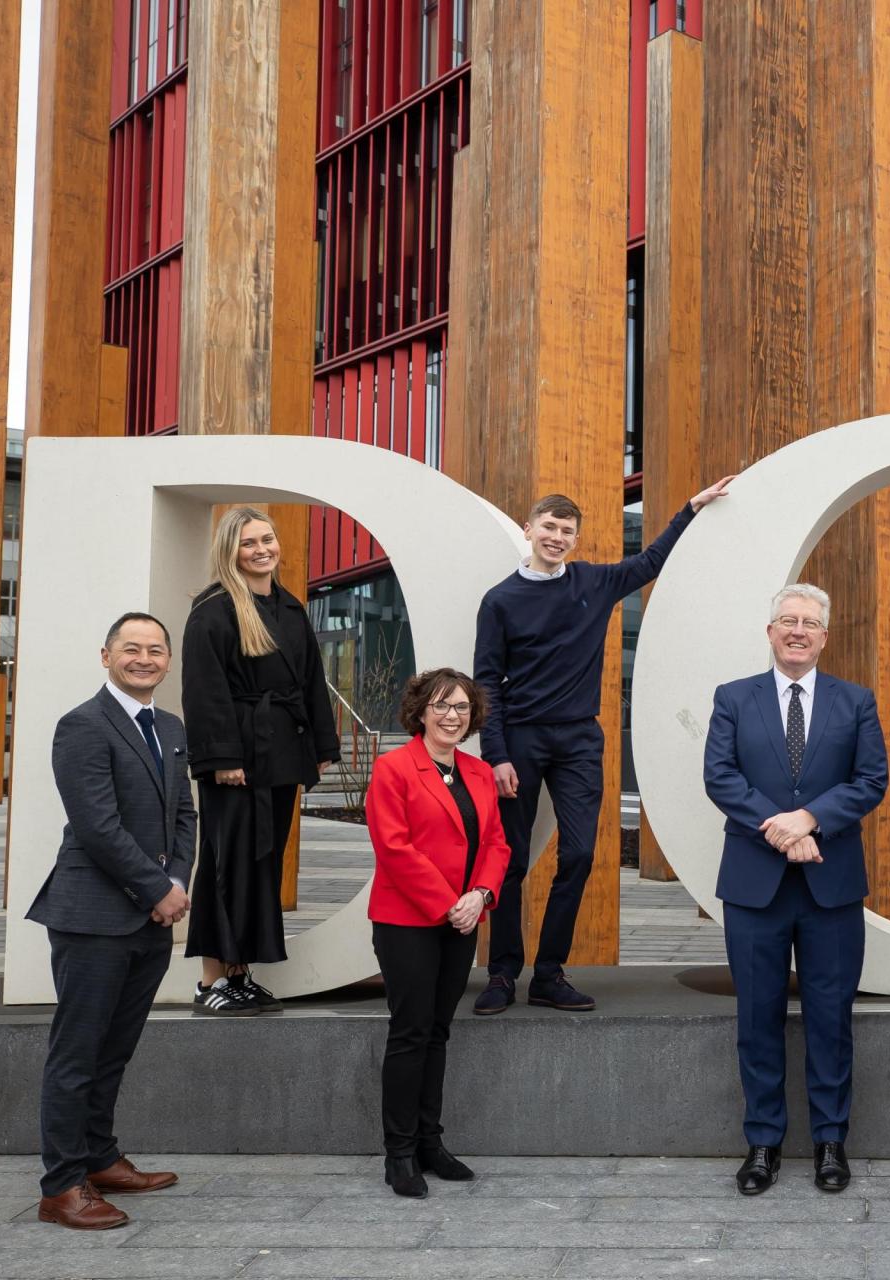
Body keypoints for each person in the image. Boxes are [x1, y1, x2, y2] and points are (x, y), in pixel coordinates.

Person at [473, 476, 734, 1015]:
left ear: (575, 539)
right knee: (511, 862)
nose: (557, 536)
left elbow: (651, 562)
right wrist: (495, 754)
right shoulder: (499, 600)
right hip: (519, 739)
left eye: (566, 530)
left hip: (578, 740)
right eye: (548, 526)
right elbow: (485, 684)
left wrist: (689, 505)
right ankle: (502, 973)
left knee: (581, 853)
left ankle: (548, 973)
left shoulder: (593, 582)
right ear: (528, 529)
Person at [703, 584, 888, 1195]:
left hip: (830, 887)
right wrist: (782, 832)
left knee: (831, 1018)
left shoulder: (855, 701)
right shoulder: (734, 698)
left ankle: (831, 1141)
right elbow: (721, 778)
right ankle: (763, 1143)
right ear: (771, 630)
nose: (798, 631)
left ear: (825, 636)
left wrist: (809, 820)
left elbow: (871, 780)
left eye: (810, 622)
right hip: (755, 888)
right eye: (788, 620)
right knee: (757, 1017)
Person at [29, 613, 195, 1229]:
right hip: (93, 916)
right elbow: (97, 826)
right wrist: (156, 888)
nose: (144, 659)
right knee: (76, 1053)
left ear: (168, 661)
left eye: (155, 650)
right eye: (131, 649)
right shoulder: (82, 726)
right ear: (106, 656)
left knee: (115, 1049)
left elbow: (184, 816)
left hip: (151, 917)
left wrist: (176, 884)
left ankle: (99, 1157)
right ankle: (61, 1186)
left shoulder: (172, 727)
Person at [180, 506, 339, 1015]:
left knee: (261, 865)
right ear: (231, 550)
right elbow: (203, 691)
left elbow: (312, 681)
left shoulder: (289, 608)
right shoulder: (214, 609)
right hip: (239, 759)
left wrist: (322, 747)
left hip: (282, 757)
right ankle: (210, 982)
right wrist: (223, 757)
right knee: (227, 864)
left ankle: (239, 973)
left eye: (267, 539)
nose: (261, 549)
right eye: (249, 542)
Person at [365, 668, 511, 1198]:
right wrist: (449, 902)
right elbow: (394, 848)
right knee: (411, 1032)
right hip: (408, 920)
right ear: (421, 711)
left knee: (439, 1032)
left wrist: (481, 896)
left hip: (464, 918)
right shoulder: (394, 768)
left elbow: (496, 843)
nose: (453, 715)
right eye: (442, 705)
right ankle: (399, 1152)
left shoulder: (476, 772)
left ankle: (431, 1142)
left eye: (462, 707)